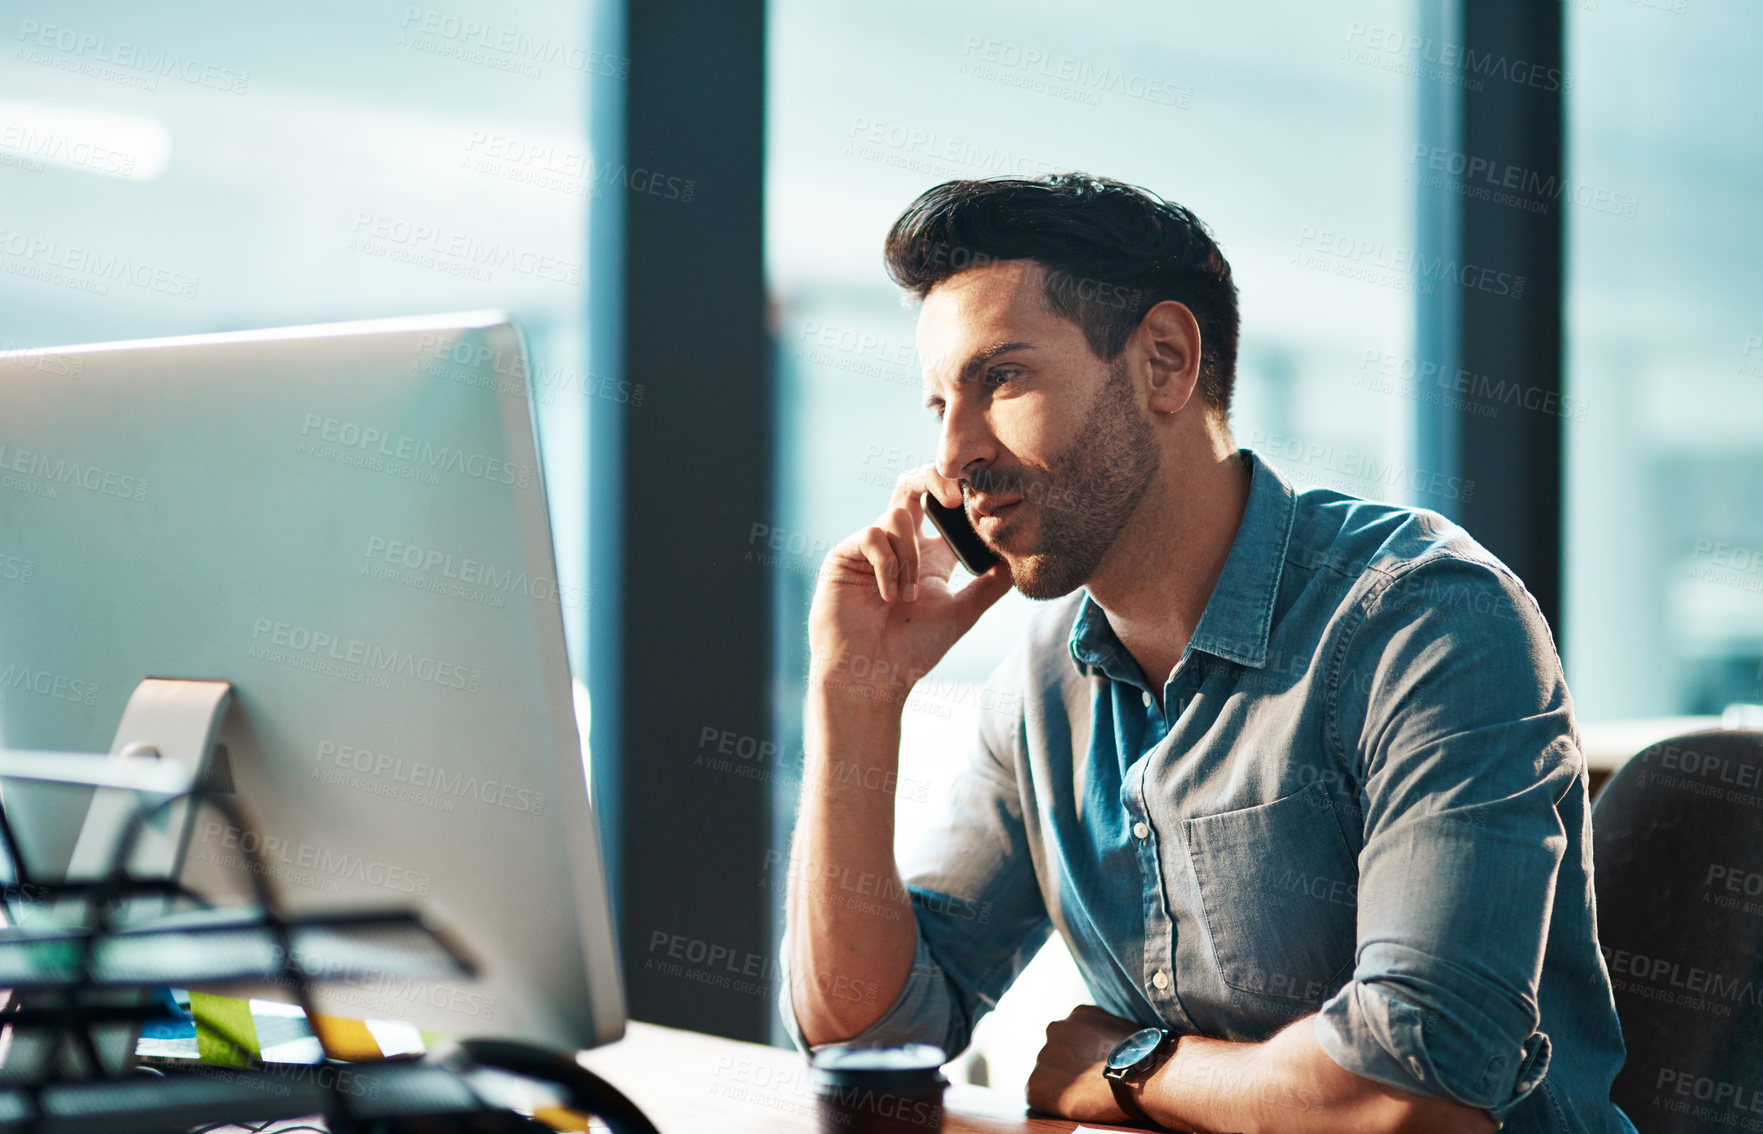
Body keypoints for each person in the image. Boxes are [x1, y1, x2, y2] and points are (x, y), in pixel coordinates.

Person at [779, 173, 1634, 1134]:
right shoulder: (1040, 681)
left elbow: (1413, 1093)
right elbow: (870, 1037)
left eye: (1001, 379)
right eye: (938, 402)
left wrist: (1127, 1067)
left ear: (1163, 362)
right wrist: (855, 694)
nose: (952, 454)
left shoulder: (1424, 622)